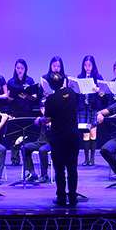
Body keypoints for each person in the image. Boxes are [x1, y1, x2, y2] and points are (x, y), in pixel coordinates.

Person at [37, 72, 80, 206]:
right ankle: (72, 197)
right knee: (72, 169)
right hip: (73, 137)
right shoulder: (72, 94)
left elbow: (47, 119)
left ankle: (61, 197)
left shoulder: (51, 99)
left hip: (59, 139)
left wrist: (39, 120)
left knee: (60, 170)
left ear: (50, 85)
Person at [77, 55, 108, 166]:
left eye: (89, 65)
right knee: (85, 133)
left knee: (93, 132)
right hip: (82, 107)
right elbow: (77, 93)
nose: (87, 67)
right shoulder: (80, 76)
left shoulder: (98, 77)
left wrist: (99, 91)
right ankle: (86, 158)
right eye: (85, 65)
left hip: (93, 107)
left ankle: (92, 158)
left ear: (93, 65)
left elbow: (103, 95)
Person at [7, 59, 39, 166]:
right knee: (15, 136)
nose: (20, 70)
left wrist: (27, 96)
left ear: (25, 69)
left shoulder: (29, 80)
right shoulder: (11, 81)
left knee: (27, 135)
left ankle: (27, 159)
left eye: (22, 68)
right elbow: (8, 98)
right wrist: (13, 96)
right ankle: (15, 159)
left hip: (27, 110)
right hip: (15, 110)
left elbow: (34, 97)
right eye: (18, 68)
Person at [23, 99, 51, 183]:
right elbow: (31, 131)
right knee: (25, 147)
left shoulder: (55, 118)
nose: (43, 110)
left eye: (45, 108)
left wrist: (50, 125)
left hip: (51, 143)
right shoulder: (40, 119)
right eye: (42, 108)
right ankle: (32, 173)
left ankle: (44, 175)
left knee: (42, 150)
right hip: (40, 142)